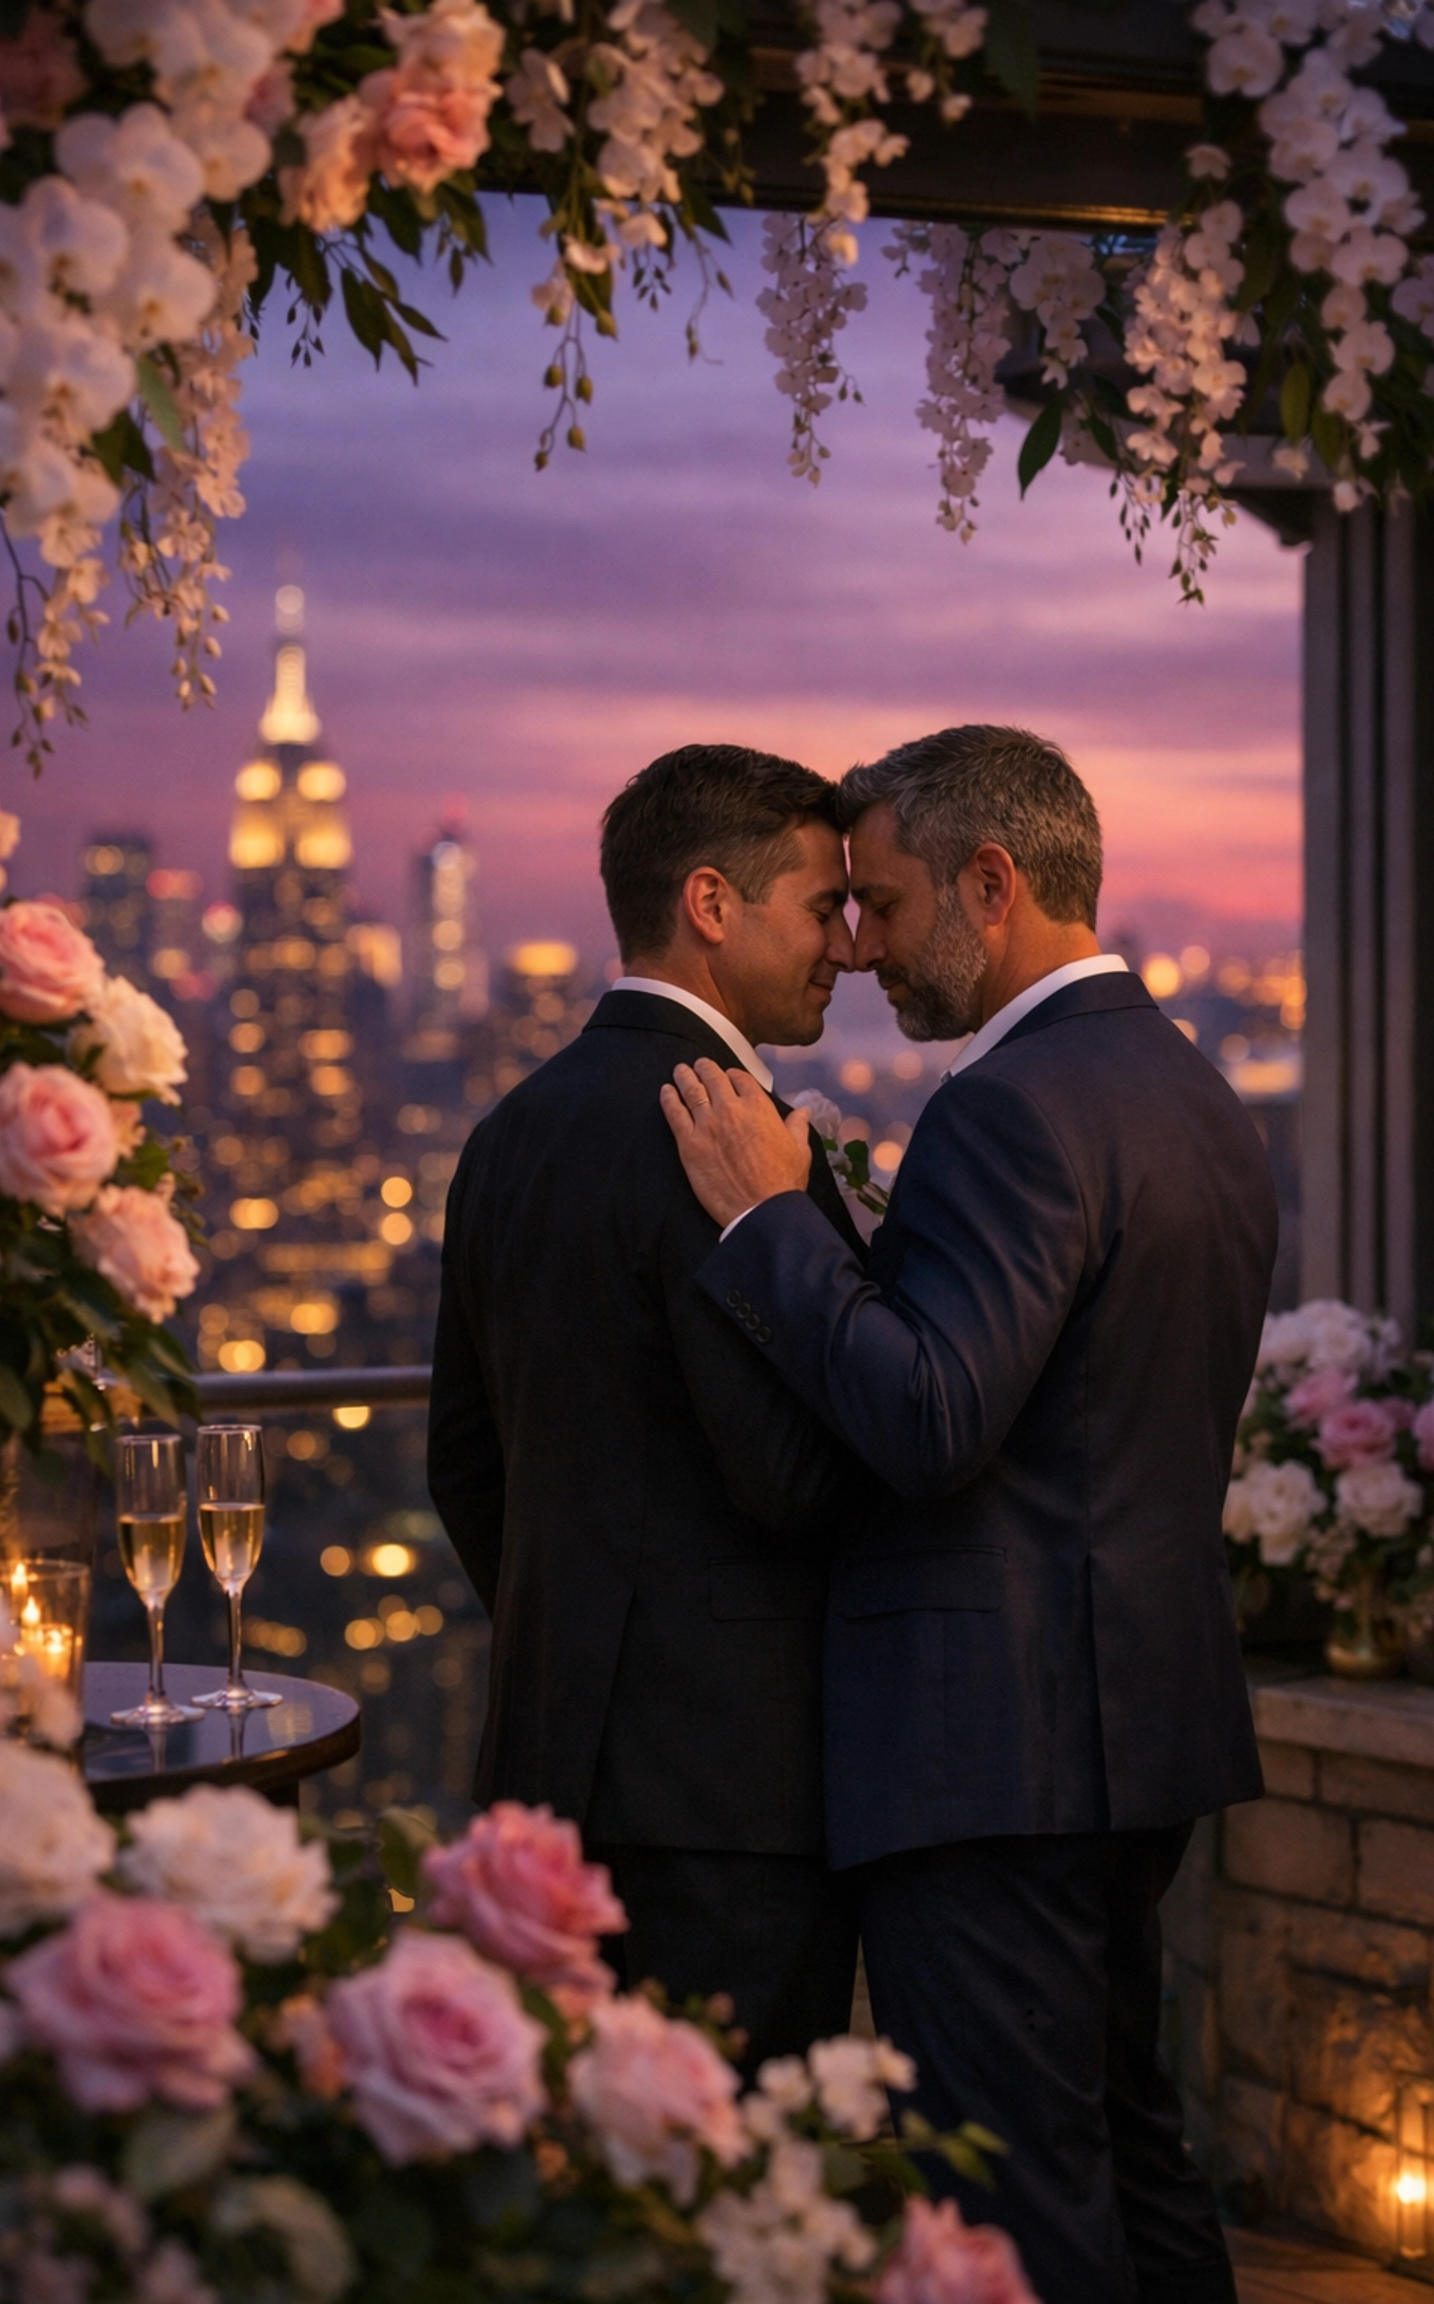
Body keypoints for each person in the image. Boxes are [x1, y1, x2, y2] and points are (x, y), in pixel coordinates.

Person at [661, 726, 1276, 2304]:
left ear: (989, 887)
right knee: (1132, 2147)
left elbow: (932, 1415)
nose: (856, 950)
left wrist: (771, 1224)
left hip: (993, 1747)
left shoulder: (1014, 1107)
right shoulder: (1197, 1093)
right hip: (1132, 1722)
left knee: (1014, 2194)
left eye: (879, 903)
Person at [428, 741, 866, 2066]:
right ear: (713, 904)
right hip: (738, 1792)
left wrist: (582, 1634)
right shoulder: (731, 1137)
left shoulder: (510, 1129)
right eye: (820, 904)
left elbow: (463, 1458)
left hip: (547, 1766)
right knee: (730, 2194)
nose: (843, 947)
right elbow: (792, 1472)